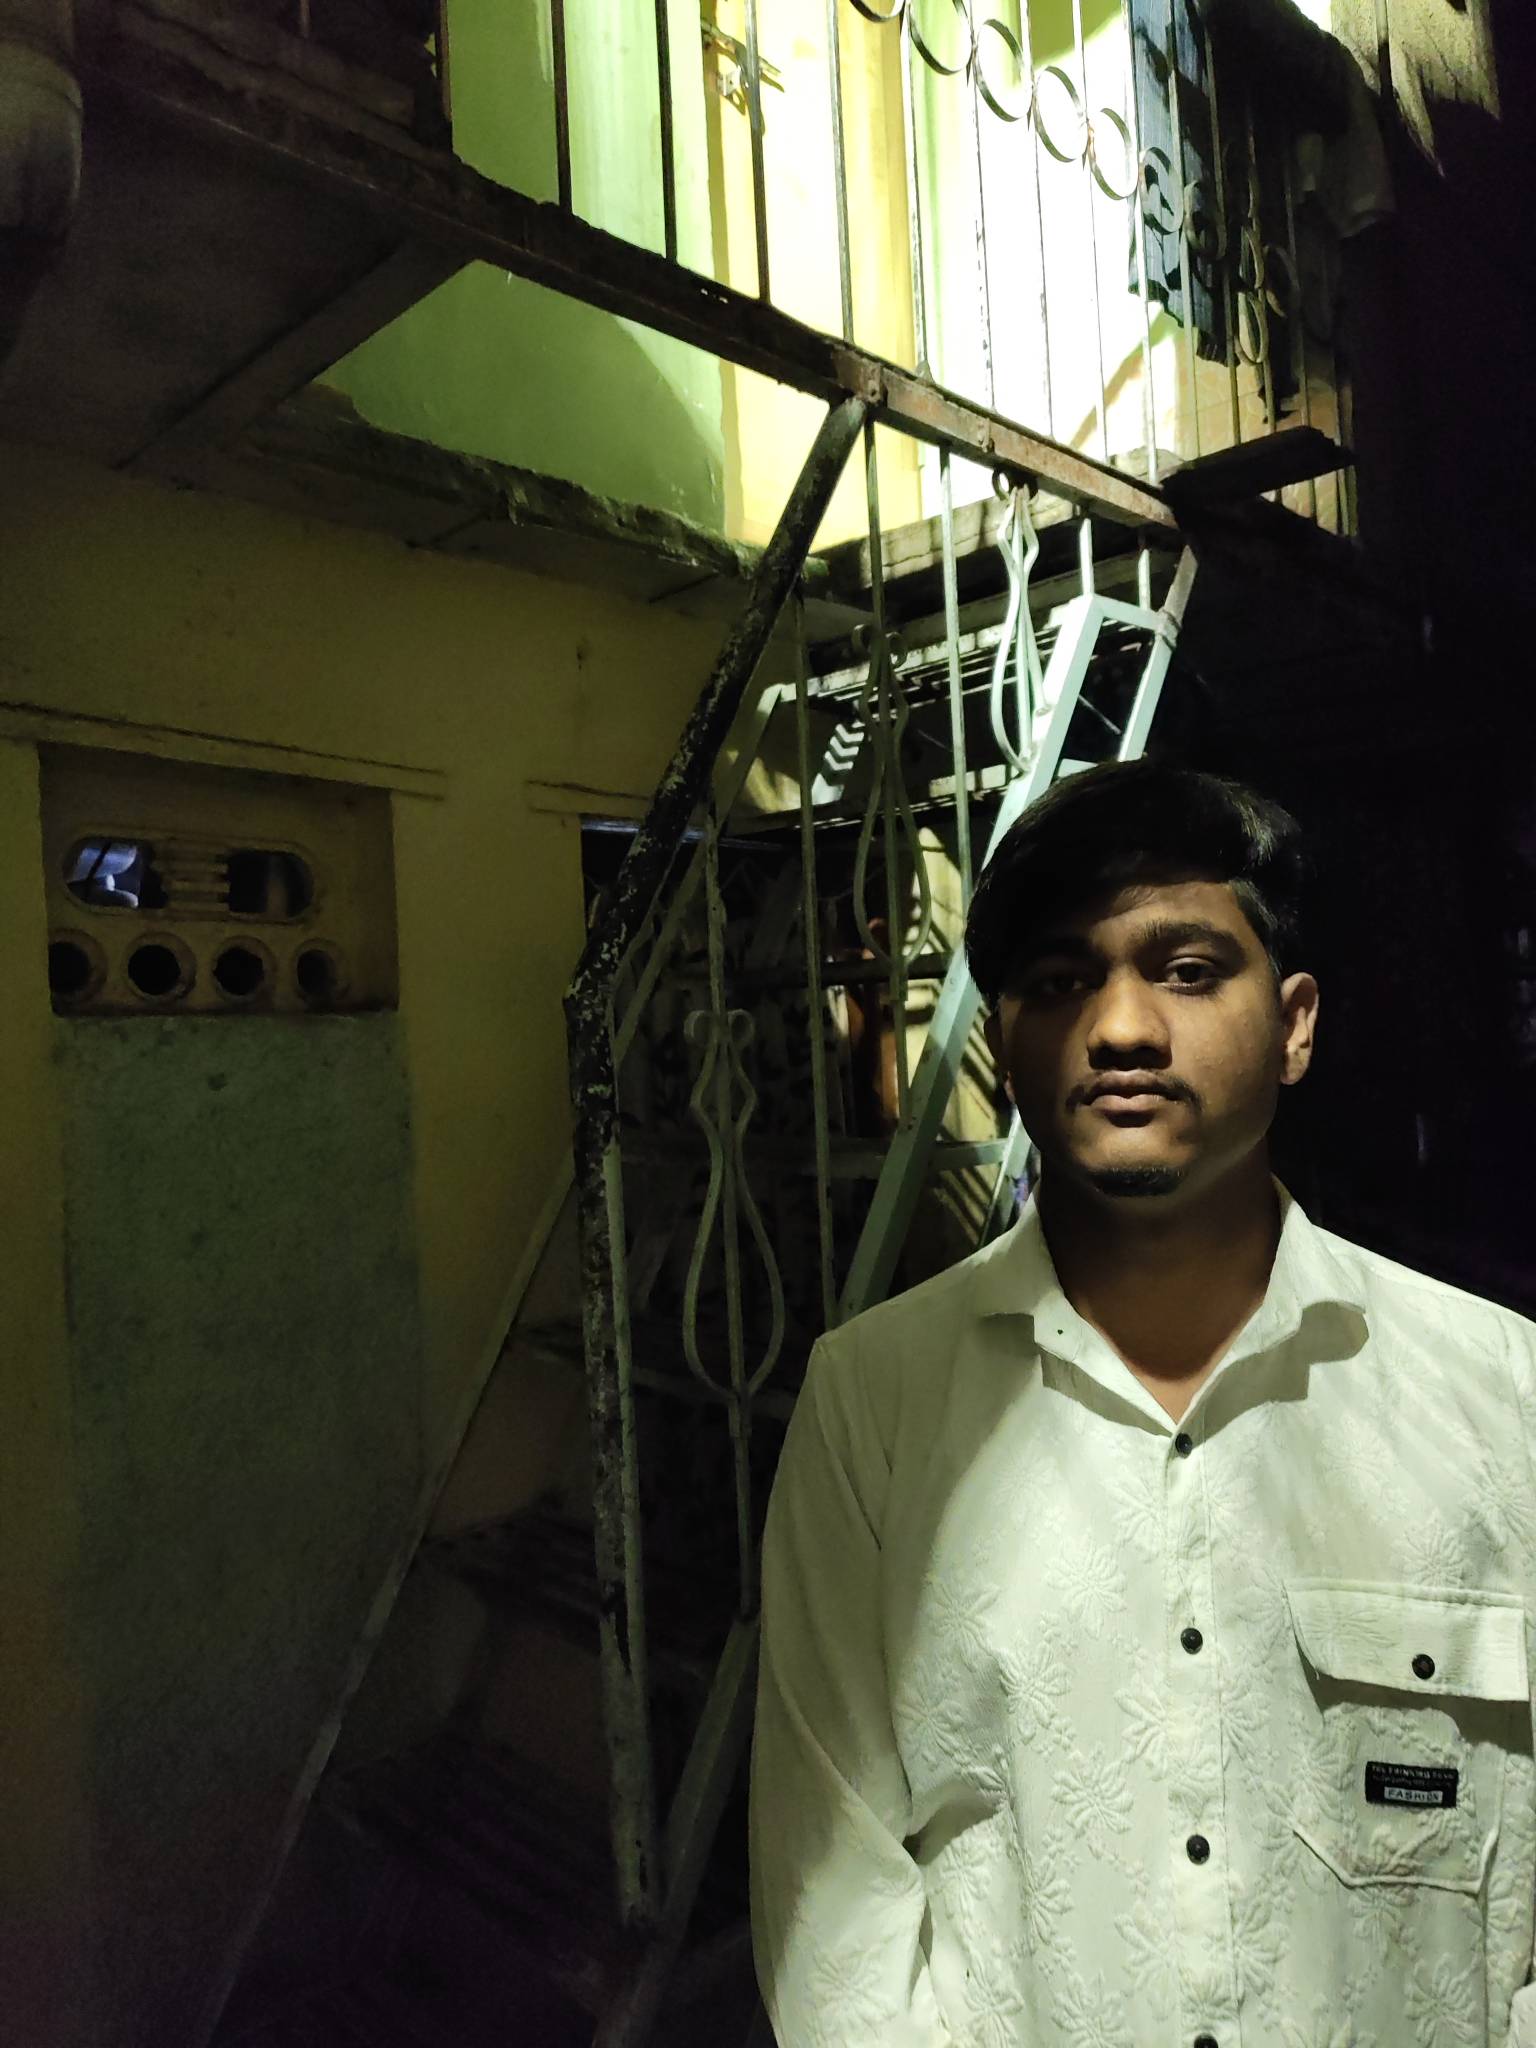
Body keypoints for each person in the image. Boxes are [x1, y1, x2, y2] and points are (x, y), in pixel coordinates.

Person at [748, 756, 1536, 2048]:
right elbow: (836, 1915)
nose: (1121, 1028)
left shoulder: (1500, 1389)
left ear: (1295, 1023)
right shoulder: (873, 1405)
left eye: (1187, 970)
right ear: (1007, 1045)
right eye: (1063, 982)